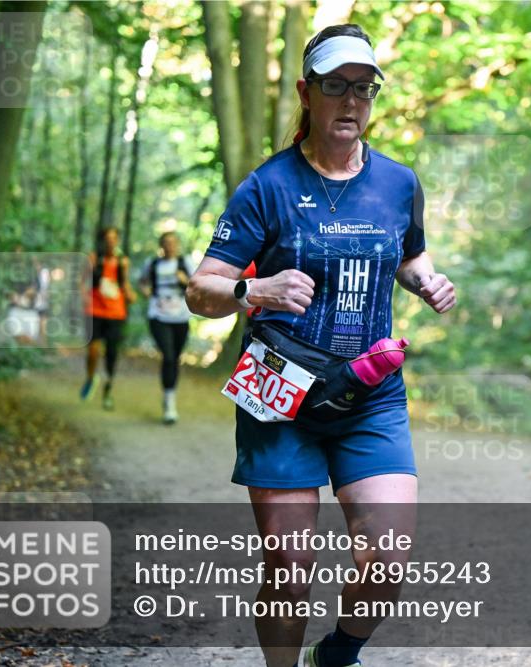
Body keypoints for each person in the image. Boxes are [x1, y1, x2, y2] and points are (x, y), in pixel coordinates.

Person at [186, 24, 456, 667]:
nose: (352, 102)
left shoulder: (397, 182)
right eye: (337, 86)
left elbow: (409, 255)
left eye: (364, 89)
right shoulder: (267, 186)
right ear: (308, 94)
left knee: (388, 557)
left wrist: (425, 280)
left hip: (369, 390)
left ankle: (336, 654)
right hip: (277, 389)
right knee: (288, 564)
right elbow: (202, 290)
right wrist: (257, 290)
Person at [139, 231, 194, 424]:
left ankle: (169, 396)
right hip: (158, 316)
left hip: (181, 317)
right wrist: (145, 290)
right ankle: (169, 405)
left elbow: (198, 286)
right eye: (166, 243)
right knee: (168, 356)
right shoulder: (152, 264)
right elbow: (142, 282)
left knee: (174, 359)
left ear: (177, 244)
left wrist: (185, 280)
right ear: (161, 246)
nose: (169, 246)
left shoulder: (185, 263)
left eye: (173, 242)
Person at [81, 226, 137, 410]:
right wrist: (82, 298)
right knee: (93, 350)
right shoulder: (93, 258)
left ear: (118, 240)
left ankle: (108, 389)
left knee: (112, 353)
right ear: (102, 241)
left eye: (114, 238)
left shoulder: (123, 261)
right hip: (94, 311)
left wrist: (130, 294)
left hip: (116, 312)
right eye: (107, 238)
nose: (110, 241)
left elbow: (125, 285)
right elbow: (82, 283)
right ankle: (91, 378)